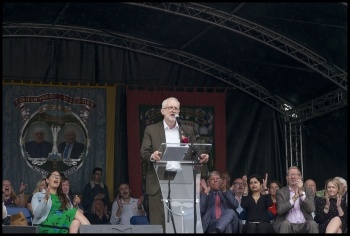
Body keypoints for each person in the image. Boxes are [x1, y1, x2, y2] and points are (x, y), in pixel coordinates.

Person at [140, 97, 210, 232]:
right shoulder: (152, 130)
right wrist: (153, 156)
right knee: (159, 222)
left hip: (181, 181)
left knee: (180, 222)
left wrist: (202, 156)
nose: (173, 110)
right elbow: (144, 153)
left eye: (176, 108)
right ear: (162, 111)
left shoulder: (187, 131)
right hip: (158, 181)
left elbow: (196, 151)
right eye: (170, 107)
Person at [273, 166, 319, 233]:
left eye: (296, 174)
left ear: (300, 177)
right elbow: (280, 210)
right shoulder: (281, 192)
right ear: (286, 178)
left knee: (312, 224)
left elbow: (311, 208)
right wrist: (294, 198)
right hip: (288, 224)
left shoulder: (308, 191)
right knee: (285, 224)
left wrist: (302, 194)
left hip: (304, 225)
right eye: (291, 175)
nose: (293, 177)